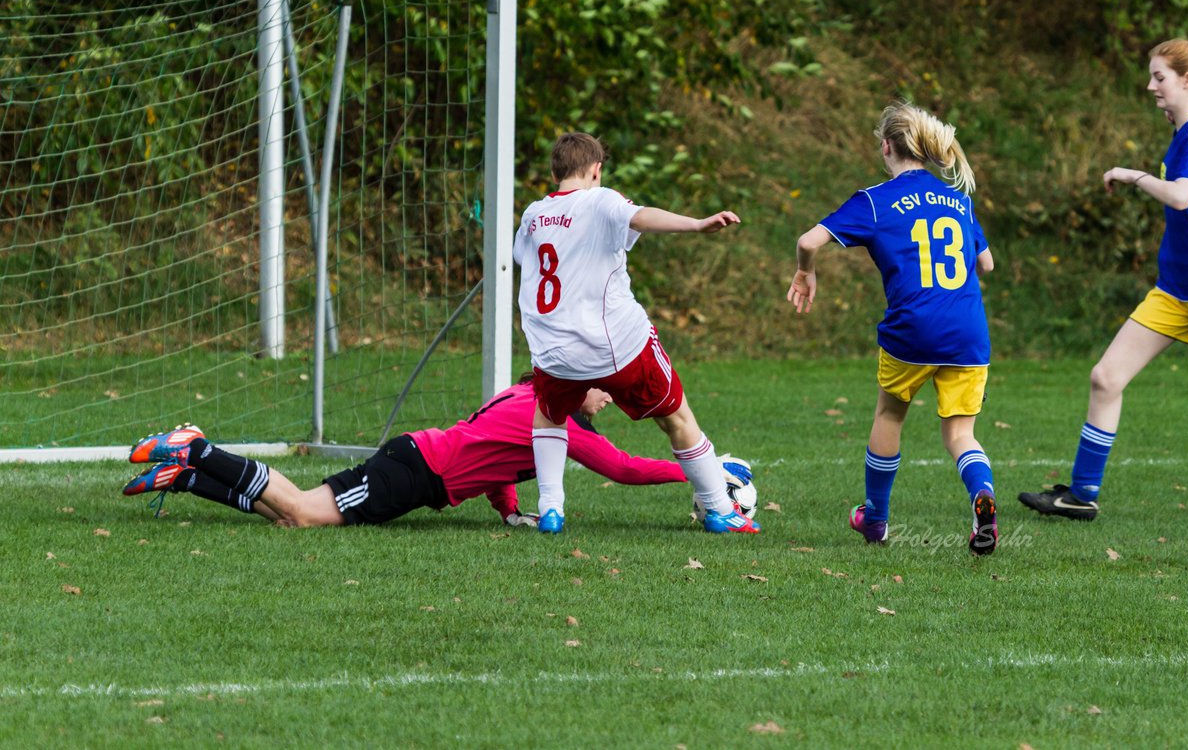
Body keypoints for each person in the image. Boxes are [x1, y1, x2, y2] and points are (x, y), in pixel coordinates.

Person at [1019, 38, 1188, 520]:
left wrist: (1133, 174)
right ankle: (1081, 494)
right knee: (1106, 377)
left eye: (1159, 77)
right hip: (1178, 288)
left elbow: (1181, 197)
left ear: (1187, 80)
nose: (1150, 86)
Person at [513, 131, 759, 534]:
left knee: (548, 415)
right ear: (596, 169)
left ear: (556, 172)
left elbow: (526, 259)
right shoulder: (602, 198)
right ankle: (719, 510)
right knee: (677, 417)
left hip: (555, 352)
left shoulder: (534, 214)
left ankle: (551, 510)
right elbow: (640, 216)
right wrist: (697, 225)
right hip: (617, 347)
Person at [787, 101, 998, 555]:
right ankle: (982, 494)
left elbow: (808, 240)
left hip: (912, 330)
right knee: (961, 434)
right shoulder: (957, 198)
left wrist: (806, 270)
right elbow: (987, 262)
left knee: (890, 415)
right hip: (967, 330)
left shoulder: (875, 201)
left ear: (887, 147)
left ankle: (876, 520)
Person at [121, 377, 709, 528]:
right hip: (415, 472)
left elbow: (494, 461)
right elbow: (624, 469)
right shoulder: (558, 420)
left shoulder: (530, 397)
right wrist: (700, 473)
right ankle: (196, 447)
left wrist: (507, 510)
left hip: (415, 459)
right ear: (583, 386)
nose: (609, 395)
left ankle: (185, 477)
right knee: (301, 509)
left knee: (292, 520)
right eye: (605, 385)